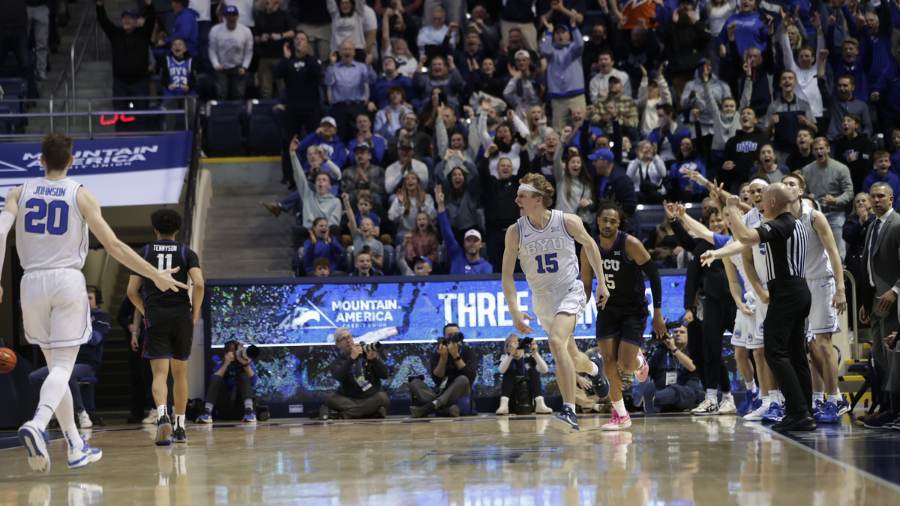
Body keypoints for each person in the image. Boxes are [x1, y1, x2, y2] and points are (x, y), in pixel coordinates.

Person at [0, 133, 185, 472]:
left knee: (58, 368)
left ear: (40, 160)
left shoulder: (18, 192)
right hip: (66, 280)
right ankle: (38, 424)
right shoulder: (80, 194)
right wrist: (155, 275)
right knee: (62, 369)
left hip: (30, 283)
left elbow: (0, 232)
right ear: (71, 161)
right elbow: (114, 246)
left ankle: (74, 445)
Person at [502, 173, 610, 431]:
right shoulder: (515, 232)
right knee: (571, 356)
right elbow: (506, 275)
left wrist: (601, 283)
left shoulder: (567, 221)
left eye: (522, 196)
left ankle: (569, 410)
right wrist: (514, 311)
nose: (517, 199)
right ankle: (595, 369)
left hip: (570, 291)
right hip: (543, 301)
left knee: (555, 342)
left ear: (537, 199)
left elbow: (591, 246)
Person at [710, 184, 815, 432]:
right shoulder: (796, 223)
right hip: (799, 290)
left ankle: (798, 412)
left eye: (765, 201)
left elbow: (745, 237)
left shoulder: (782, 224)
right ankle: (804, 411)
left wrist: (732, 209)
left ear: (774, 203)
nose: (761, 206)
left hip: (787, 292)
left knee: (775, 353)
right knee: (796, 354)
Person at [581, 201, 668, 429]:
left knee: (625, 364)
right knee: (608, 360)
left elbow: (655, 276)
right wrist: (575, 308)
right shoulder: (588, 247)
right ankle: (620, 414)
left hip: (633, 309)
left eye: (613, 221)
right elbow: (586, 284)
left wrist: (657, 312)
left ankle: (640, 362)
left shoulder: (630, 244)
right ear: (597, 220)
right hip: (607, 308)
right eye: (604, 219)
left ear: (619, 223)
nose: (607, 224)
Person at [127, 209, 204, 445]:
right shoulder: (186, 252)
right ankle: (180, 427)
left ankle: (162, 417)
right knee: (180, 374)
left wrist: (146, 311)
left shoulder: (144, 253)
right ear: (177, 230)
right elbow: (199, 284)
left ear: (155, 229)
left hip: (156, 317)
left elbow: (131, 292)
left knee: (159, 373)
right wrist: (194, 313)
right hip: (181, 316)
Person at [782, 173, 848, 423]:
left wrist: (840, 288)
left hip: (822, 282)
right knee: (808, 347)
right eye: (784, 184)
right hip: (800, 286)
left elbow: (833, 251)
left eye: (792, 184)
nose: (787, 187)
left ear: (800, 191)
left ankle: (836, 398)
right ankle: (818, 398)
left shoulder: (814, 216)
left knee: (822, 343)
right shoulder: (784, 219)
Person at [28, 286, 110, 429]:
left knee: (67, 374)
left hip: (87, 364)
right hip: (64, 361)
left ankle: (81, 413)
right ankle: (51, 410)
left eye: (89, 298)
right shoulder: (71, 316)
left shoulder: (102, 317)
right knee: (34, 377)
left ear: (97, 300)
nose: (85, 301)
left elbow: (95, 339)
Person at [858, 183, 900, 428]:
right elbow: (868, 266)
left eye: (880, 196)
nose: (875, 200)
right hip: (874, 299)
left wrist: (896, 291)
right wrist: (865, 300)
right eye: (872, 196)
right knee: (879, 356)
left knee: (892, 355)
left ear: (891, 199)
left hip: (892, 300)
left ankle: (893, 410)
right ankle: (885, 407)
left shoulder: (897, 224)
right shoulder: (872, 224)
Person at [96, 0, 156, 131]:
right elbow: (103, 21)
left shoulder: (143, 33)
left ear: (136, 21)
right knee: (119, 114)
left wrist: (149, 5)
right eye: (124, 18)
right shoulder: (115, 34)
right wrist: (99, 5)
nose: (126, 20)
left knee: (141, 115)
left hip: (140, 82)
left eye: (130, 18)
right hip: (120, 83)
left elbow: (151, 19)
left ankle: (141, 140)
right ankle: (120, 140)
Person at [631, 322, 703, 414]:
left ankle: (651, 400)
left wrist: (674, 348)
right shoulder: (661, 352)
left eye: (682, 332)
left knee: (676, 391)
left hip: (685, 392)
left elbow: (692, 367)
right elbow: (646, 371)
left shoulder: (694, 351)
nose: (678, 334)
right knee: (651, 388)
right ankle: (651, 403)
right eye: (675, 332)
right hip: (663, 390)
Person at [801, 137, 854, 258]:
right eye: (816, 149)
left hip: (835, 214)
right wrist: (807, 197)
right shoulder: (806, 170)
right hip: (814, 214)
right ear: (812, 151)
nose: (819, 152)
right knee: (815, 251)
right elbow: (802, 192)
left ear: (828, 149)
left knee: (839, 250)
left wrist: (836, 200)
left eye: (821, 148)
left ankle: (842, 274)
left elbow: (849, 192)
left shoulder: (841, 168)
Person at [409, 324, 476, 418]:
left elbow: (470, 377)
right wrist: (443, 358)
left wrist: (455, 355)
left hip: (460, 393)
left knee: (463, 379)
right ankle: (444, 409)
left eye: (456, 334)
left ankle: (429, 407)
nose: (453, 337)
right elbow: (437, 379)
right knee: (415, 382)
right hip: (442, 393)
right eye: (450, 335)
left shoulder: (468, 351)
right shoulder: (439, 352)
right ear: (444, 337)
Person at [322, 328, 391, 419]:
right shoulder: (337, 362)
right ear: (338, 344)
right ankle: (370, 412)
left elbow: (385, 375)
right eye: (344, 338)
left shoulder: (367, 353)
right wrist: (351, 359)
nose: (348, 340)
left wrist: (374, 360)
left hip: (371, 396)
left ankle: (345, 415)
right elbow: (339, 376)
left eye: (349, 337)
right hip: (350, 399)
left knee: (382, 397)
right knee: (328, 398)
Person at [196, 341, 258, 423]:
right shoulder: (220, 363)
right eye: (232, 351)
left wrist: (245, 365)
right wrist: (226, 364)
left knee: (243, 376)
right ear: (226, 353)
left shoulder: (247, 362)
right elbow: (213, 381)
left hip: (241, 407)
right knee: (217, 377)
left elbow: (254, 382)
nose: (236, 354)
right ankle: (207, 413)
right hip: (224, 406)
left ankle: (249, 412)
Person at [435, 185, 492, 274]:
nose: (472, 243)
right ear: (464, 243)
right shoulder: (456, 256)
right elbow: (447, 233)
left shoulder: (486, 267)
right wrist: (441, 205)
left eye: (475, 240)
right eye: (468, 240)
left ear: (481, 244)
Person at [495, 335, 552, 415]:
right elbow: (501, 370)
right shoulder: (505, 358)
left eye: (517, 344)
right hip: (511, 396)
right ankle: (504, 406)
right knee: (508, 373)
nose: (516, 348)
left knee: (533, 371)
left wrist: (535, 353)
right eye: (512, 345)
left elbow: (545, 370)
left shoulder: (529, 357)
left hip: (529, 396)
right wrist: (510, 355)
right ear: (507, 347)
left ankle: (540, 404)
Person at [208, 4, 254, 99]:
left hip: (238, 67)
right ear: (224, 17)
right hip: (222, 67)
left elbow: (249, 51)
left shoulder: (246, 31)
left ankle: (237, 113)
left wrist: (245, 67)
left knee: (239, 94)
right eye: (229, 15)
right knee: (221, 93)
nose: (231, 18)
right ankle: (222, 113)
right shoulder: (215, 30)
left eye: (233, 15)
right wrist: (216, 64)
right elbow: (212, 50)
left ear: (237, 17)